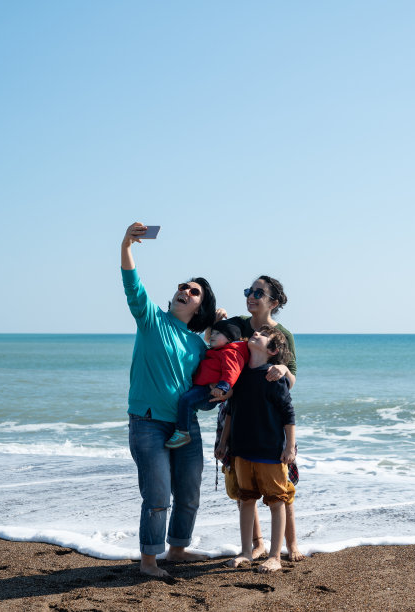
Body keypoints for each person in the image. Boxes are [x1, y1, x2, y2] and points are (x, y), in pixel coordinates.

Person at [121, 222, 217, 578]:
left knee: (189, 492)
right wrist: (127, 244)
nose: (184, 291)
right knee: (158, 496)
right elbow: (132, 285)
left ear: (199, 306)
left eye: (193, 292)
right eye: (182, 287)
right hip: (147, 422)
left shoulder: (198, 346)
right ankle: (149, 560)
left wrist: (216, 396)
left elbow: (201, 397)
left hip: (185, 427)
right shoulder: (151, 321)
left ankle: (177, 549)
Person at [214, 275, 303, 562]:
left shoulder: (282, 335)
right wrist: (217, 323)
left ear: (273, 302)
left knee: (281, 486)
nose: (251, 296)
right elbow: (214, 346)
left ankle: (290, 545)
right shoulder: (238, 325)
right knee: (243, 487)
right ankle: (256, 545)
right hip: (235, 410)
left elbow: (291, 379)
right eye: (248, 291)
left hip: (269, 415)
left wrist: (280, 369)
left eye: (258, 293)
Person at [165, 320, 248, 449]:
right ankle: (181, 428)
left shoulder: (230, 353)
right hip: (203, 388)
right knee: (185, 401)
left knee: (186, 400)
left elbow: (231, 371)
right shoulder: (217, 351)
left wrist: (223, 387)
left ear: (229, 339)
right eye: (212, 332)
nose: (212, 335)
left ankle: (183, 432)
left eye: (218, 333)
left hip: (209, 391)